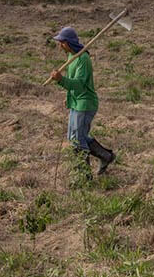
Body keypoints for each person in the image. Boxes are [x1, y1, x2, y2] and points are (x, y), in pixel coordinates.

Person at [48, 26, 115, 174]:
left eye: (62, 42)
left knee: (77, 139)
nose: (60, 45)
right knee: (75, 137)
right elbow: (74, 84)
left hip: (85, 103)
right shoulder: (72, 56)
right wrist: (69, 98)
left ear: (69, 42)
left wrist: (60, 80)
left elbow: (78, 84)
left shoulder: (83, 59)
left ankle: (83, 175)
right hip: (76, 102)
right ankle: (106, 156)